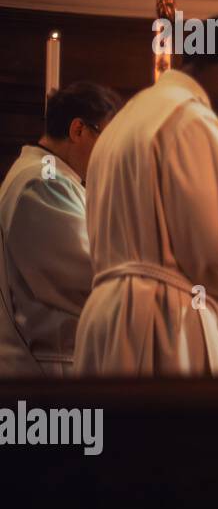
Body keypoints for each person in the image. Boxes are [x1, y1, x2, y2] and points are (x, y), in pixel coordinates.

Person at [74, 15, 218, 376]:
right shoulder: (193, 121)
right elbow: (211, 252)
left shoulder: (126, 119)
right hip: (160, 324)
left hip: (105, 318)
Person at [0, 82, 121, 376]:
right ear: (78, 130)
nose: (113, 154)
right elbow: (92, 275)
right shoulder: (44, 182)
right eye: (109, 140)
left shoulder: (48, 175)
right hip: (52, 369)